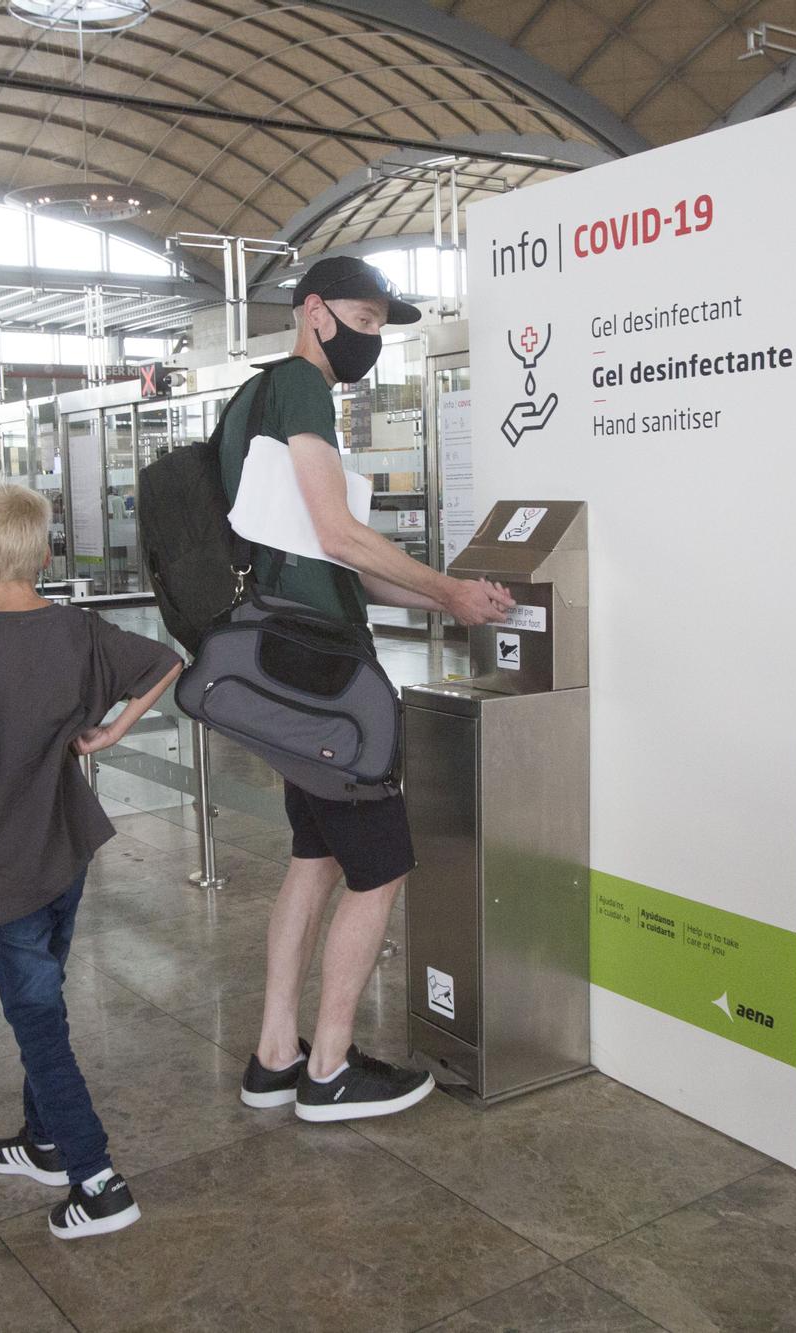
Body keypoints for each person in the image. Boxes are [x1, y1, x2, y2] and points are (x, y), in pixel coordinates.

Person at [222, 254, 513, 1122]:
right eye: (362, 317)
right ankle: (332, 1069)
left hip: (286, 658)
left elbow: (335, 564)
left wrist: (443, 593)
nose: (371, 337)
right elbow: (339, 535)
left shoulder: (258, 399)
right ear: (314, 311)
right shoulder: (301, 389)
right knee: (381, 867)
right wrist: (448, 591)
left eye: (383, 324)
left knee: (314, 860)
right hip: (324, 678)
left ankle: (277, 1055)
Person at [0, 480, 181, 1240]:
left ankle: (97, 1179)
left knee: (37, 1019)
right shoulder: (75, 629)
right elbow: (165, 662)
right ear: (43, 553)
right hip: (65, 852)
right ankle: (41, 1141)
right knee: (48, 987)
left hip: (6, 864)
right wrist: (111, 733)